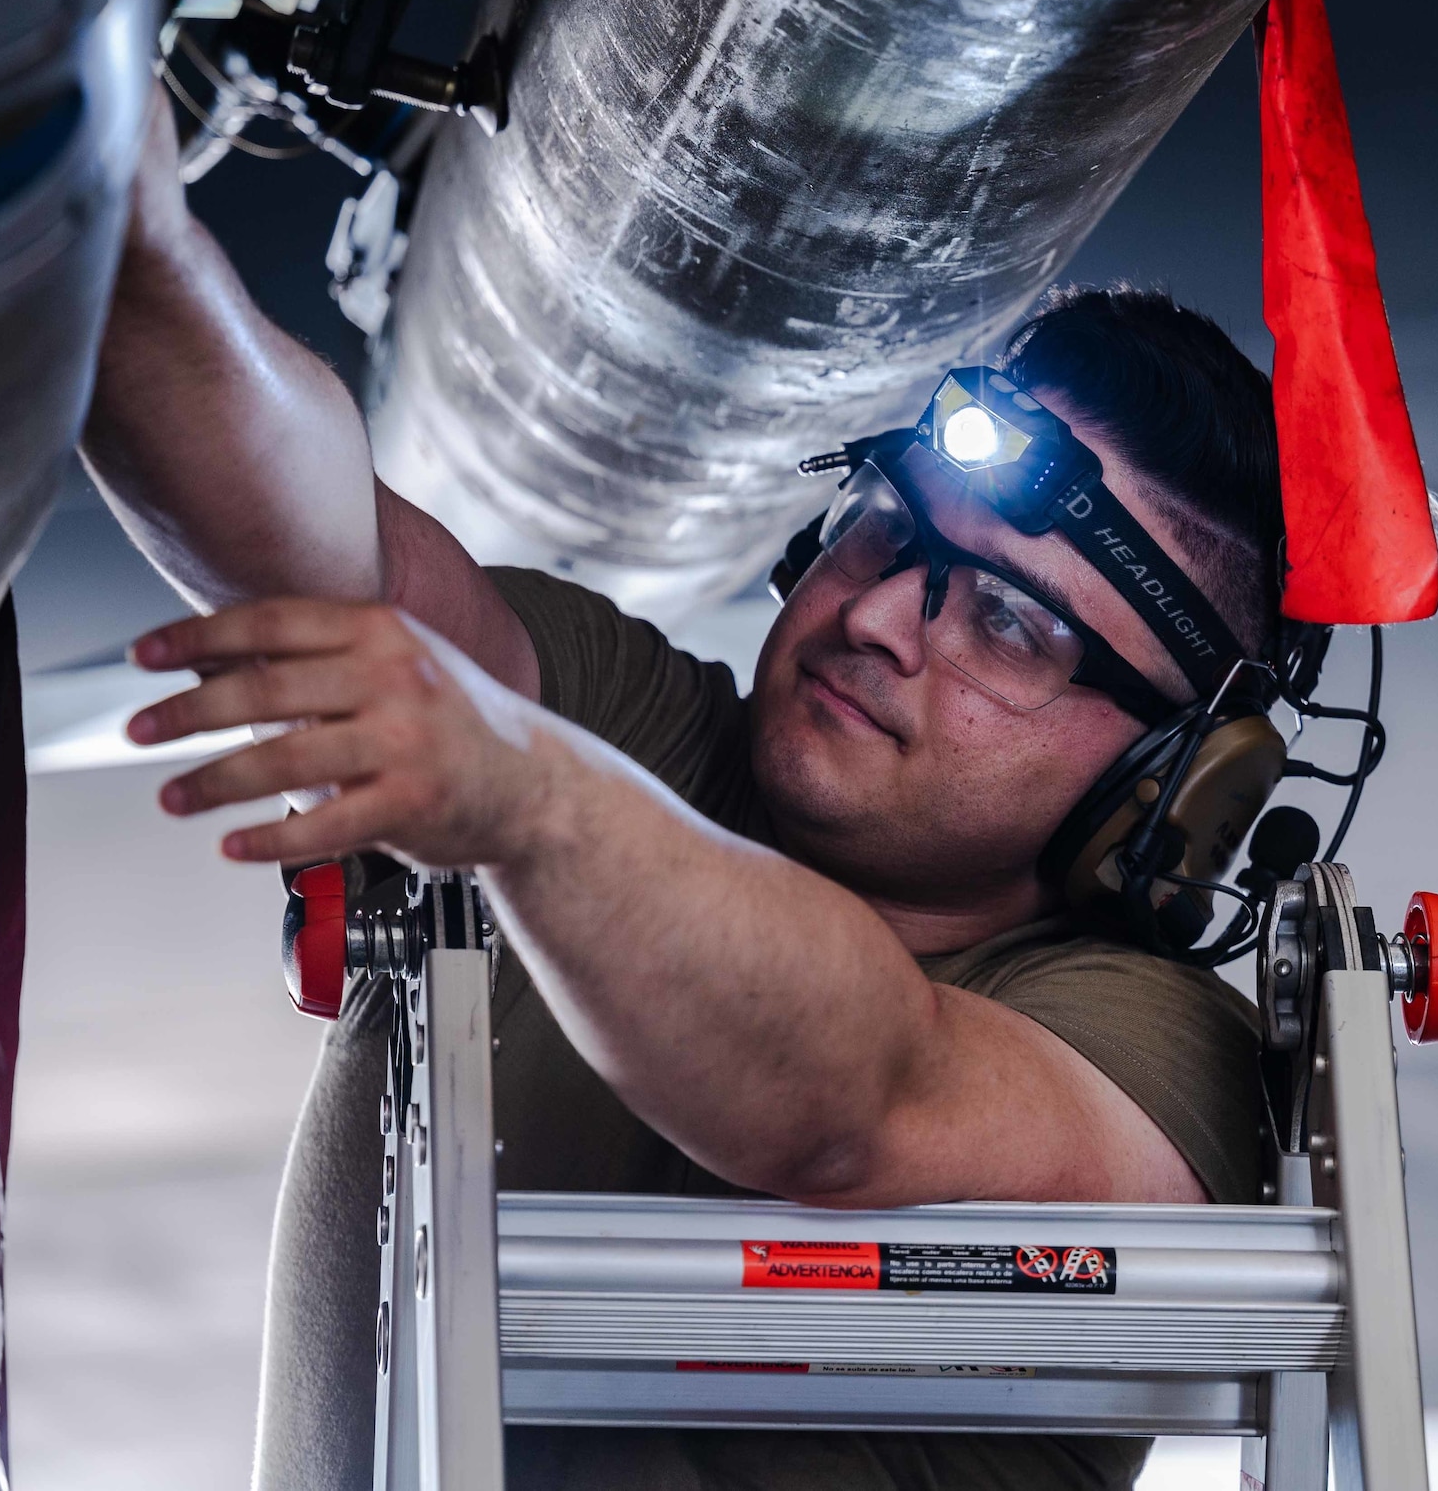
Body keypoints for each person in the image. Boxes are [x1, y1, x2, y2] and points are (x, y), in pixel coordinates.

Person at [83, 92, 1287, 1491]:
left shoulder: (1157, 1055)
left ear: (1165, 783)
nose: (890, 615)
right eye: (893, 525)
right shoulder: (633, 733)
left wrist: (523, 800)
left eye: (1012, 626)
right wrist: (113, 239)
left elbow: (860, 1099)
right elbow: (308, 550)